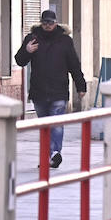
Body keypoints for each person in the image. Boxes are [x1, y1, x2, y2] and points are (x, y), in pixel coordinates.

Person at [15, 9, 87, 169]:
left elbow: (74, 65)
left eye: (51, 22)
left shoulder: (65, 41)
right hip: (39, 90)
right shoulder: (32, 39)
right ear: (42, 23)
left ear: (56, 23)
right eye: (45, 22)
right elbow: (19, 61)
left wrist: (80, 86)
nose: (48, 25)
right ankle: (49, 155)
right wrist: (26, 51)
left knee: (56, 123)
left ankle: (54, 153)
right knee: (44, 125)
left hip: (59, 90)